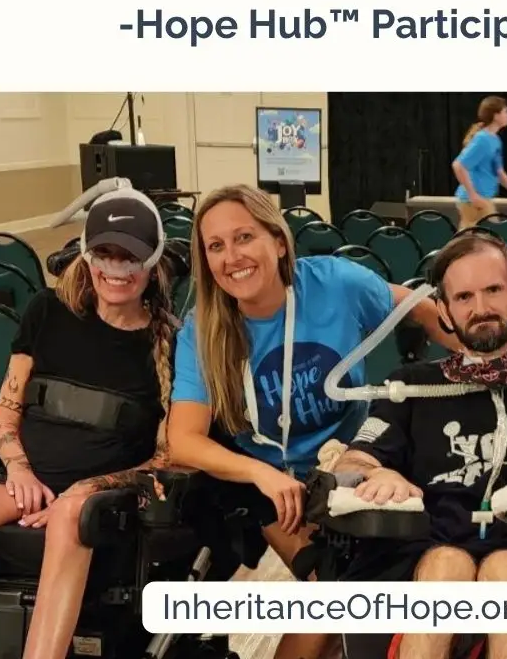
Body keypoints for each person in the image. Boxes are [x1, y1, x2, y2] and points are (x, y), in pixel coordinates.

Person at [165, 183, 462, 659]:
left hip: (351, 467)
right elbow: (182, 440)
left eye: (244, 238)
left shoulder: (335, 284)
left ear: (278, 241)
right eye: (215, 246)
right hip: (265, 480)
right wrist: (260, 474)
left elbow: (422, 309)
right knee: (334, 591)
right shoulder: (203, 329)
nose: (231, 257)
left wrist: (482, 359)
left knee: (363, 589)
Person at [0, 190, 178, 659]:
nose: (116, 268)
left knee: (70, 514)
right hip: (24, 487)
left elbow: (167, 456)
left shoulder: (168, 342)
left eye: (129, 256)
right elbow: (6, 414)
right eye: (104, 253)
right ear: (86, 257)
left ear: (152, 262)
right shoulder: (47, 312)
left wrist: (84, 490)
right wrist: (19, 469)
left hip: (98, 504)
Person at [332, 231, 507, 659]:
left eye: (493, 290)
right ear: (445, 312)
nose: (481, 308)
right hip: (423, 554)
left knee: (505, 570)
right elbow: (351, 461)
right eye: (464, 297)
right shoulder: (411, 386)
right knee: (447, 568)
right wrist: (379, 474)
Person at [452, 95, 507, 229]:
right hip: (473, 202)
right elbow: (459, 165)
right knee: (478, 241)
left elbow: (499, 172)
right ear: (496, 115)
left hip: (483, 200)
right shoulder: (482, 140)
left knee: (480, 240)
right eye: (505, 112)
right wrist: (472, 194)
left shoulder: (494, 140)